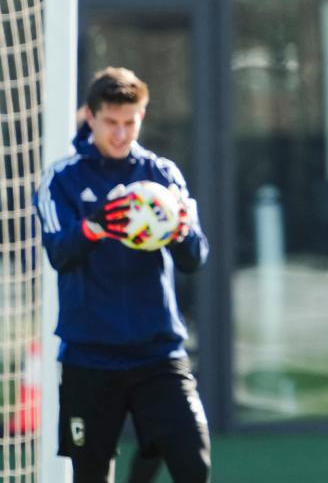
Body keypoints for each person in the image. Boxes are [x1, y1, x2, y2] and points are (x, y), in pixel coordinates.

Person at [34, 67, 211, 483]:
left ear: (141, 118)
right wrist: (96, 226)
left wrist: (179, 231)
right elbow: (59, 253)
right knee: (92, 476)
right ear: (91, 118)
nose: (120, 133)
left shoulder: (162, 177)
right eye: (111, 122)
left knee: (194, 466)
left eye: (129, 122)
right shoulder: (63, 180)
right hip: (90, 356)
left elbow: (195, 257)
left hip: (158, 354)